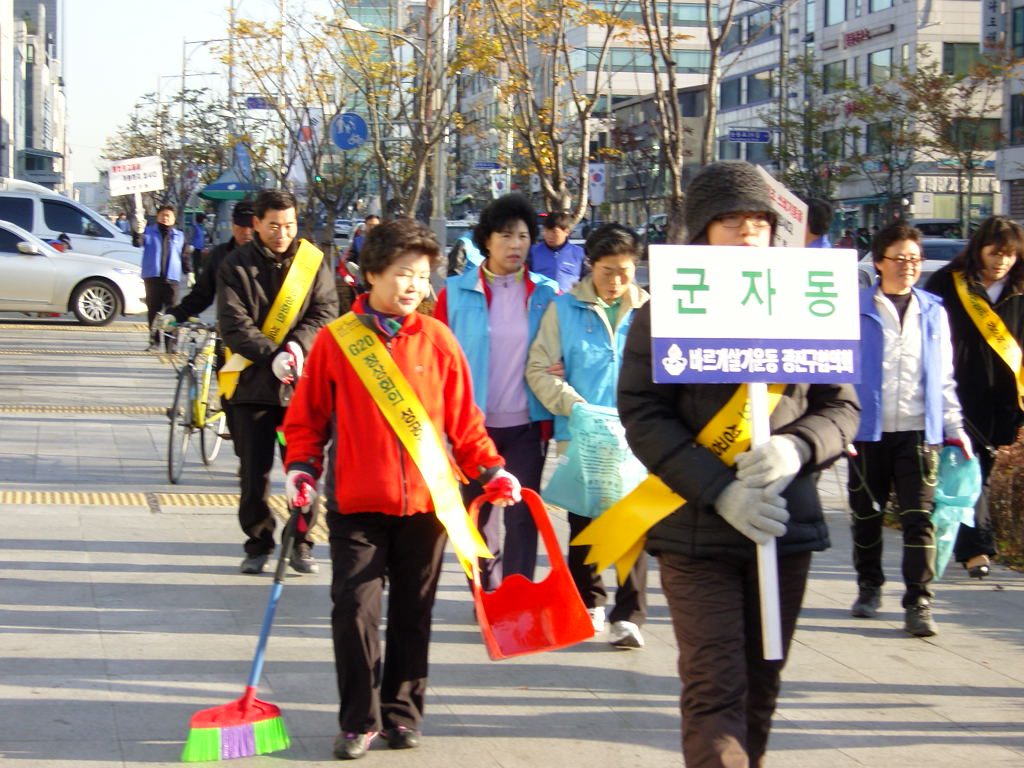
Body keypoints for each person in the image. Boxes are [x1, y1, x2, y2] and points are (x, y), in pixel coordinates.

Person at [617, 160, 860, 768]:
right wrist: (720, 489)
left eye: (759, 220)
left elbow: (842, 408)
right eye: (730, 221)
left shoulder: (810, 301)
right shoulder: (668, 304)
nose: (748, 232)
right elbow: (643, 409)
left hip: (785, 523)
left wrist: (797, 447)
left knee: (762, 685)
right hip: (694, 528)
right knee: (714, 684)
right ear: (701, 232)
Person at [281, 217, 520, 760]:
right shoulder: (339, 341)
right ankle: (358, 720)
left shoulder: (438, 341)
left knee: (415, 612)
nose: (413, 285)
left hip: (427, 508)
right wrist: (301, 469)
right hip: (357, 505)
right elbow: (307, 419)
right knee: (354, 612)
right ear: (370, 275)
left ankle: (402, 715)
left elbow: (465, 425)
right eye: (402, 274)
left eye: (421, 275)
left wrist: (491, 471)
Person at [526, 222, 650, 648]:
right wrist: (573, 405)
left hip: (637, 434)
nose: (615, 281)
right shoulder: (563, 309)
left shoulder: (650, 311)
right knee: (585, 517)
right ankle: (588, 600)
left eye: (624, 271)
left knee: (633, 522)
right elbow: (539, 368)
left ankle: (630, 614)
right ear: (589, 267)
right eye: (606, 271)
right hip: (583, 432)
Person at [849, 222, 969, 637]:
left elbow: (944, 377)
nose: (908, 267)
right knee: (867, 514)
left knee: (920, 517)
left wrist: (955, 427)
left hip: (920, 431)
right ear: (879, 261)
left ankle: (918, 600)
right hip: (867, 432)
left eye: (914, 260)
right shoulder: (856, 309)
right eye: (899, 259)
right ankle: (869, 586)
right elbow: (838, 374)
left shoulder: (934, 310)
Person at [435, 193, 559, 589]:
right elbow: (437, 360)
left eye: (523, 236)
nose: (516, 245)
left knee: (523, 513)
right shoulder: (453, 294)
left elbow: (565, 347)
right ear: (486, 240)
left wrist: (564, 364)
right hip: (473, 427)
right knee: (479, 513)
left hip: (527, 423)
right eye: (506, 236)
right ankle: (486, 593)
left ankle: (519, 590)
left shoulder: (547, 294)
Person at [216, 189, 338, 576]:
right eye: (273, 225)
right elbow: (234, 326)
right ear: (256, 224)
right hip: (250, 389)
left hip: (300, 392)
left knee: (302, 470)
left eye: (289, 225)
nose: (282, 233)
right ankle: (257, 542)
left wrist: (298, 348)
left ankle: (301, 541)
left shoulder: (313, 263)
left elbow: (325, 311)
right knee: (253, 473)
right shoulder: (235, 265)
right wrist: (273, 356)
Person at [925, 216, 1024, 579]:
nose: (1002, 262)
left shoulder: (1020, 289)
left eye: (1010, 255)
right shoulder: (948, 285)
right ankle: (976, 551)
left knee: (979, 471)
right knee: (970, 466)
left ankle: (953, 534)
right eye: (995, 253)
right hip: (958, 395)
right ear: (978, 249)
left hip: (1006, 401)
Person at [158, 200, 257, 439]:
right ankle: (244, 452)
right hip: (228, 338)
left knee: (253, 403)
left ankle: (251, 454)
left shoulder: (266, 257)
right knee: (230, 398)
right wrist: (176, 314)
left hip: (260, 340)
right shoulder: (220, 255)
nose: (247, 231)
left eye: (252, 226)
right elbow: (202, 295)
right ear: (233, 226)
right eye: (242, 226)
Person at [135, 205, 189, 353]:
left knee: (172, 314)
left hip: (172, 280)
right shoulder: (149, 232)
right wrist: (138, 231)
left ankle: (171, 345)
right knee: (154, 312)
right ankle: (154, 343)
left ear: (174, 218)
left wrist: (190, 273)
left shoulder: (179, 236)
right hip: (153, 278)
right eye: (163, 215)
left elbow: (184, 257)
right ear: (158, 216)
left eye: (168, 215)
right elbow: (137, 242)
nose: (165, 218)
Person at [528, 211, 586, 291]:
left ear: (566, 232)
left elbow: (587, 281)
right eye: (546, 231)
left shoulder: (579, 253)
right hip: (540, 302)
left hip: (569, 301)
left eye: (554, 232)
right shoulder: (533, 252)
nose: (549, 235)